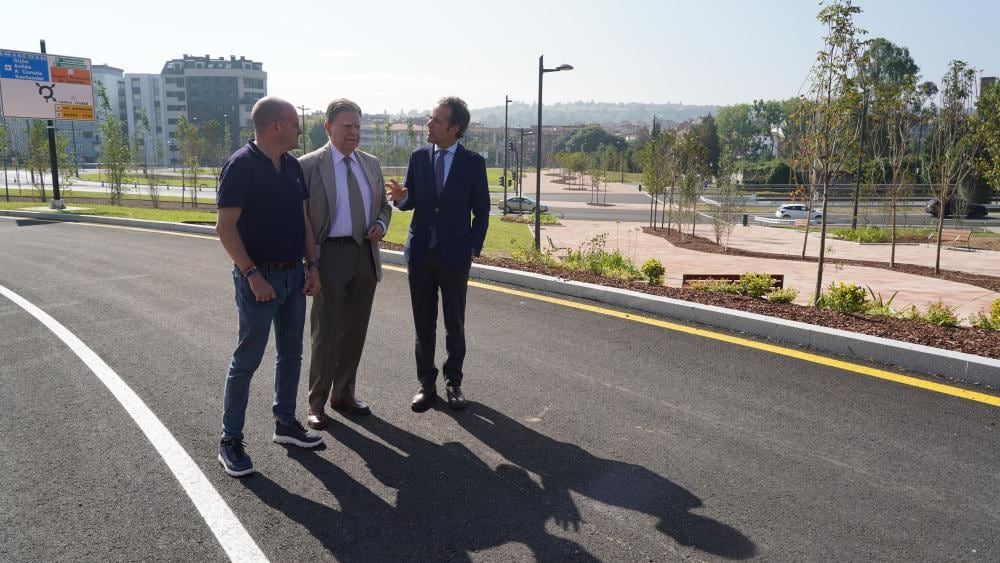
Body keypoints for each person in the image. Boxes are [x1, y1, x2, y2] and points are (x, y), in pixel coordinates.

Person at [215, 96, 324, 477]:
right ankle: (230, 440)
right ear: (276, 126)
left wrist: (313, 266)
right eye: (296, 122)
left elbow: (305, 221)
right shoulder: (241, 166)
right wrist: (251, 274)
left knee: (291, 355)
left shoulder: (293, 167)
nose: (300, 128)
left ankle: (285, 424)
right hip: (259, 279)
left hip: (295, 276)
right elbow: (225, 228)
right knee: (247, 359)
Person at [386, 96, 490, 412]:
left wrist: (472, 246)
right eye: (429, 119)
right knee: (423, 324)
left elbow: (482, 210)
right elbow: (409, 200)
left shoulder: (473, 163)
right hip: (420, 253)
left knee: (453, 323)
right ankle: (426, 383)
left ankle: (453, 381)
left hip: (455, 256)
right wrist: (401, 199)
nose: (428, 125)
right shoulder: (419, 158)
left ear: (454, 128)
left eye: (435, 120)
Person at [299, 99, 391, 429]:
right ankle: (317, 402)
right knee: (326, 332)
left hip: (365, 254)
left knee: (355, 331)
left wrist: (381, 225)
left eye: (358, 127)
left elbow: (384, 206)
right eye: (346, 127)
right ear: (328, 128)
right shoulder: (309, 166)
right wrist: (311, 262)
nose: (354, 133)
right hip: (329, 256)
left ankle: (344, 393)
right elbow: (302, 219)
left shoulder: (370, 163)